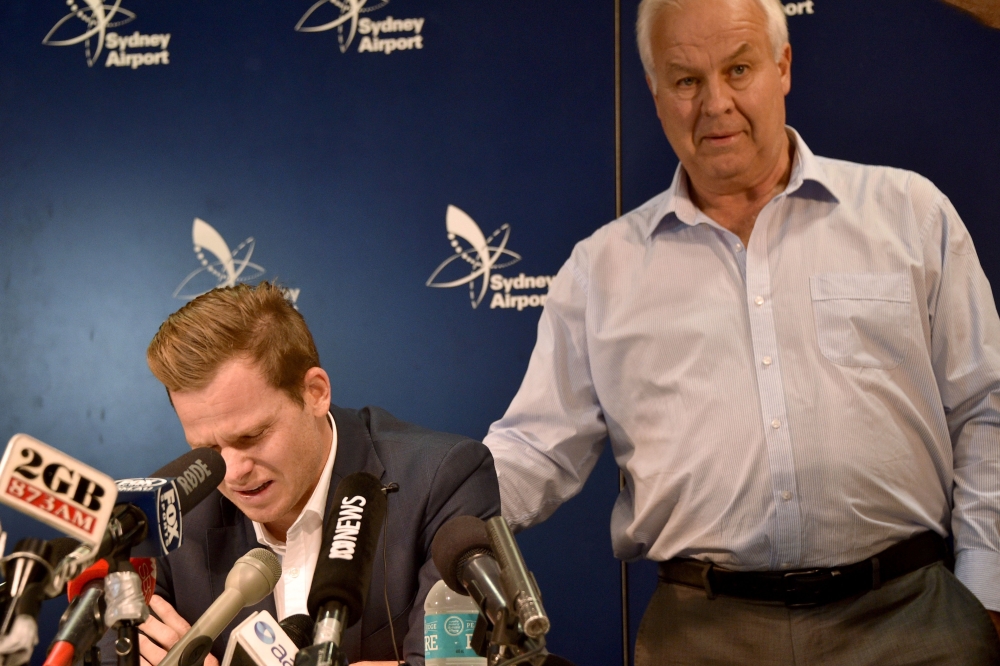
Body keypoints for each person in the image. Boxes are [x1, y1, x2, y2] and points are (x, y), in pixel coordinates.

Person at [483, 0, 1000, 662]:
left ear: (782, 67)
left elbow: (984, 408)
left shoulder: (910, 216)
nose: (716, 104)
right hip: (701, 637)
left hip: (912, 623)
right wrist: (430, 506)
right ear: (656, 94)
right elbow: (535, 448)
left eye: (738, 69)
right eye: (686, 80)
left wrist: (985, 594)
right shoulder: (599, 271)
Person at [128, 282, 500, 666]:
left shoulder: (443, 477)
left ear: (315, 393)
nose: (234, 472)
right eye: (208, 450)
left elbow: (453, 663)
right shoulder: (167, 512)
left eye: (252, 436)